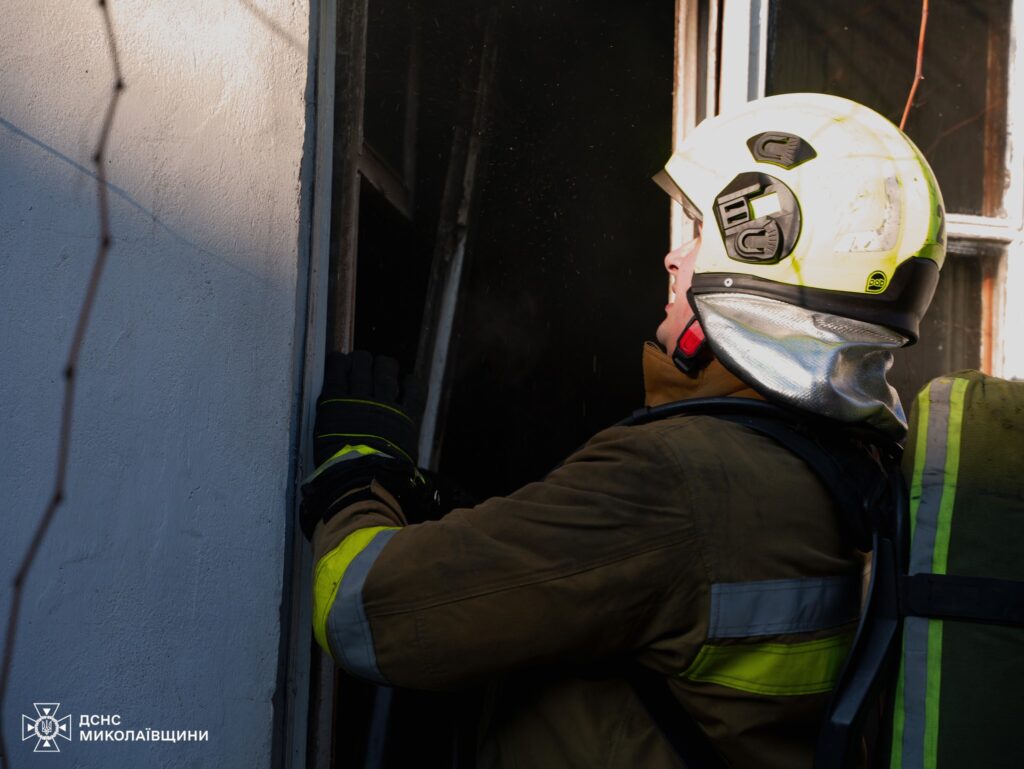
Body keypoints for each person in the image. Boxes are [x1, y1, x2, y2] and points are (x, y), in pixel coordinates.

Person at [300, 93, 945, 768]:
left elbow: (364, 612)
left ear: (763, 242)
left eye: (699, 232)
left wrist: (356, 470)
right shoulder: (857, 470)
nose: (674, 258)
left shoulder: (675, 478)